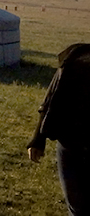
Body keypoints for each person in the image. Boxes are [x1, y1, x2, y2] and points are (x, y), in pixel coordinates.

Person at [28, 43, 90, 216]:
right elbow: (51, 99)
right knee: (77, 206)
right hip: (70, 143)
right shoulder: (75, 58)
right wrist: (37, 139)